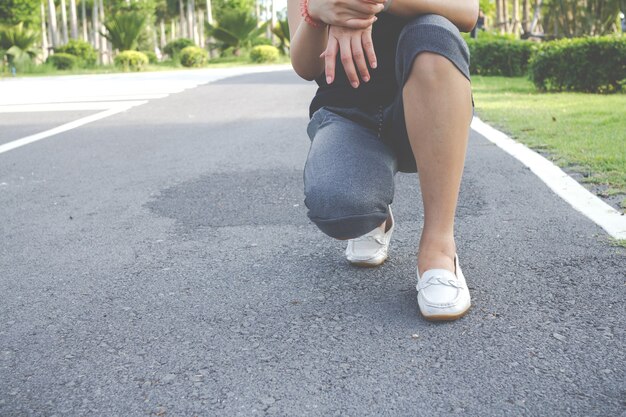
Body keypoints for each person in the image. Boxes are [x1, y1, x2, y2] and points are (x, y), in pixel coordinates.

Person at [287, 0, 478, 320]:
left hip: (427, 104)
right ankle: (376, 213)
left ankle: (439, 247)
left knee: (434, 31)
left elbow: (467, 13)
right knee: (338, 207)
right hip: (348, 113)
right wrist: (317, 13)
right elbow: (306, 67)